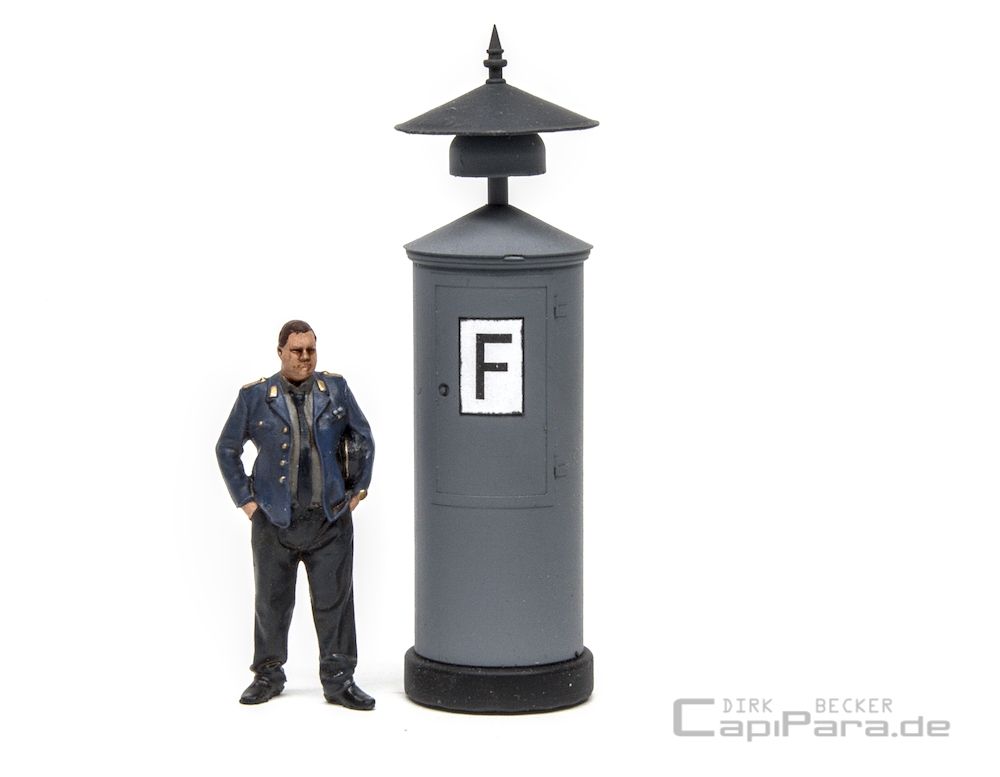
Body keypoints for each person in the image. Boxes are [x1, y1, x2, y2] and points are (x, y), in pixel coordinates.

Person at [216, 320, 375, 709]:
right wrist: (247, 502)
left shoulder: (335, 389)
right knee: (271, 602)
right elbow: (227, 448)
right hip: (273, 521)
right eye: (297, 351)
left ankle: (339, 679)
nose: (305, 358)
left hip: (329, 520)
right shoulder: (255, 396)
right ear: (280, 352)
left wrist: (356, 491)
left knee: (335, 603)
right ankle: (268, 674)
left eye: (310, 350)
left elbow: (363, 438)